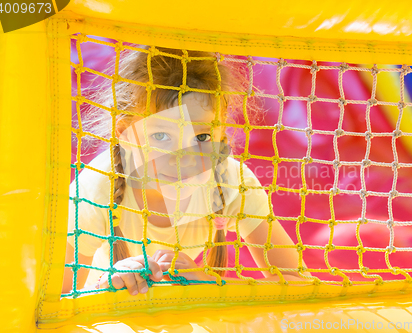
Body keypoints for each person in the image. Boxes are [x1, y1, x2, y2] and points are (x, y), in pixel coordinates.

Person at [63, 46, 312, 296]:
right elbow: (54, 295)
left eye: (201, 137)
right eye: (161, 136)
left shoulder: (232, 181)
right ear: (125, 134)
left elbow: (298, 281)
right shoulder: (98, 185)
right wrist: (106, 286)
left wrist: (212, 285)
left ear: (220, 135)